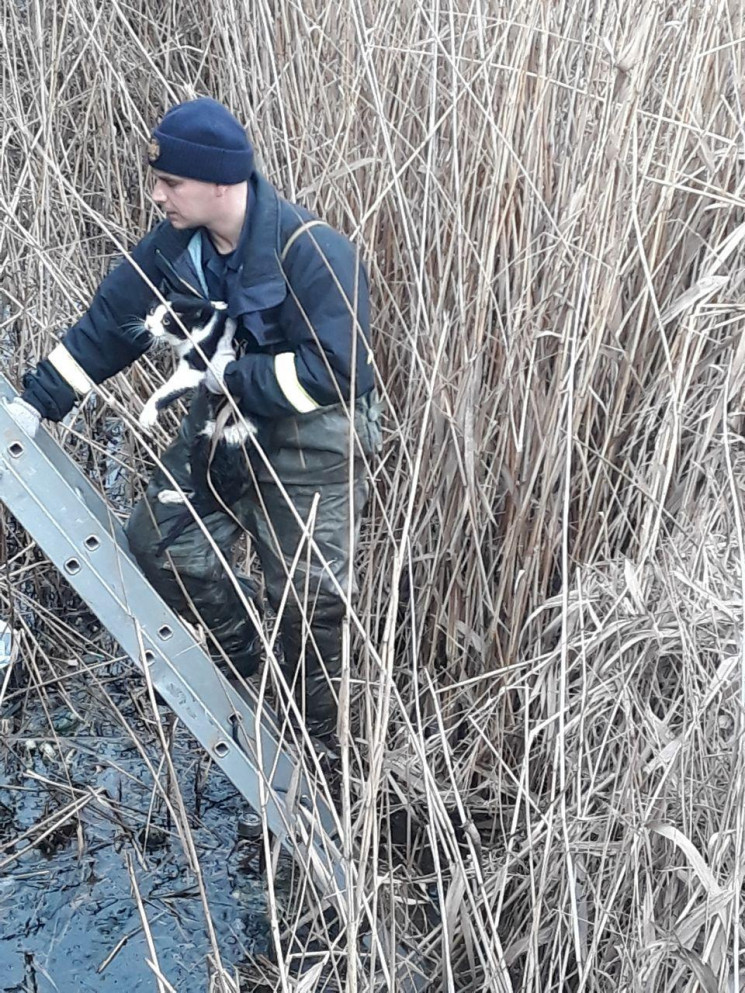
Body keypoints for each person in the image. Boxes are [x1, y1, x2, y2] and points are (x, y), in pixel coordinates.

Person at [10, 97, 381, 738]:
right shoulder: (176, 249)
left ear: (220, 181)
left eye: (170, 183)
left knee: (309, 605)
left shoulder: (314, 252)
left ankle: (322, 756)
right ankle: (258, 674)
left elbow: (339, 375)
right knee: (159, 544)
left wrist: (234, 376)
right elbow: (107, 329)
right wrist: (33, 405)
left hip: (311, 439)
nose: (157, 195)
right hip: (224, 425)